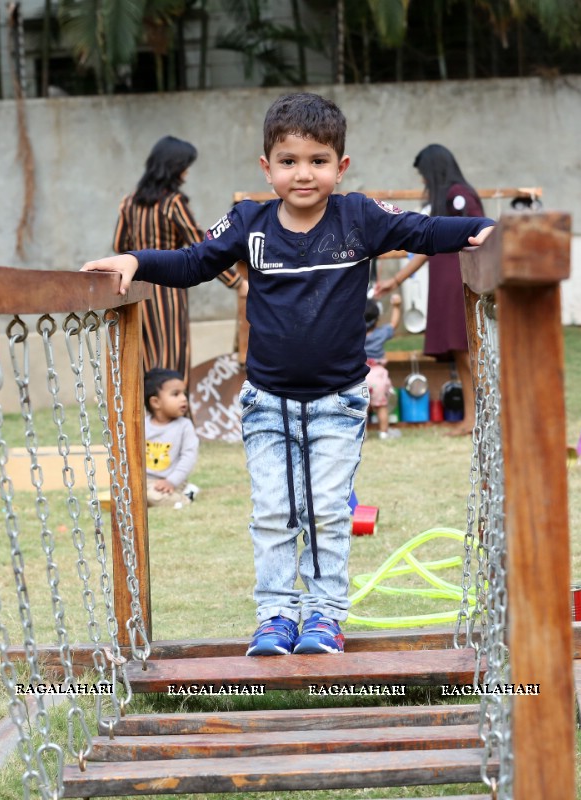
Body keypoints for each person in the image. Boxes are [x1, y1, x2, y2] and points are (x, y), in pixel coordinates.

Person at [83, 92, 495, 657]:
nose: (304, 173)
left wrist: (484, 228)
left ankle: (324, 616)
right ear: (267, 167)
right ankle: (276, 615)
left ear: (340, 167)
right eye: (289, 161)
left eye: (318, 161)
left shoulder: (359, 217)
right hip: (267, 403)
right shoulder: (250, 223)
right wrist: (136, 260)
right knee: (274, 511)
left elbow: (424, 232)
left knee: (328, 511)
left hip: (339, 401)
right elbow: (195, 262)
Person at [114, 136, 247, 387]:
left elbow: (121, 246)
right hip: (168, 291)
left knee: (145, 359)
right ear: (174, 167)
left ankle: (151, 420)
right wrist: (237, 282)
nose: (187, 171)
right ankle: (177, 422)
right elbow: (205, 248)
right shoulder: (173, 203)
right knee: (173, 359)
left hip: (136, 290)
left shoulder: (128, 202)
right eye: (186, 165)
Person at [374, 144, 484, 435]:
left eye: (423, 175)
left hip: (460, 282)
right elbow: (427, 245)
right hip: (446, 284)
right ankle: (471, 419)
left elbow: (477, 236)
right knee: (461, 353)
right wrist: (396, 280)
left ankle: (484, 418)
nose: (422, 181)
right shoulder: (446, 198)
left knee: (471, 353)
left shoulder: (458, 195)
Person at [143, 368, 199, 506]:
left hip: (171, 481)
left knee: (153, 497)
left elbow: (188, 457)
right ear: (155, 402)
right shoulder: (143, 425)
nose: (183, 398)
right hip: (145, 481)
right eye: (176, 394)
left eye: (184, 394)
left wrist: (172, 481)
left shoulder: (184, 426)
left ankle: (186, 497)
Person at [364, 294, 402, 440]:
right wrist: (397, 306)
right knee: (381, 406)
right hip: (378, 375)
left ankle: (363, 433)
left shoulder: (355, 335)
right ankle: (384, 433)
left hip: (361, 375)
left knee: (362, 408)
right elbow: (394, 323)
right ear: (377, 319)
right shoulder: (381, 334)